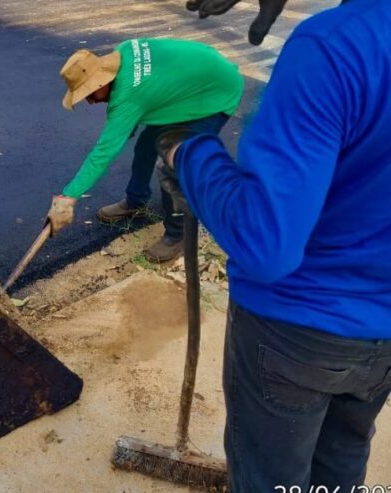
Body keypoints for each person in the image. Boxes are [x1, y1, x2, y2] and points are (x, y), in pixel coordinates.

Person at [160, 1, 391, 490]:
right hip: (382, 336)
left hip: (295, 330)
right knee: (343, 457)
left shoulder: (336, 47)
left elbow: (268, 243)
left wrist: (190, 155)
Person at [46, 38, 243, 262]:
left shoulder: (128, 96)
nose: (89, 101)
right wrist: (126, 126)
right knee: (145, 147)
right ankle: (136, 201)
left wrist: (69, 196)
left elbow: (103, 153)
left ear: (101, 82)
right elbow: (152, 87)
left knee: (173, 167)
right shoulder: (122, 52)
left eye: (89, 93)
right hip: (191, 84)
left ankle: (178, 235)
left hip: (214, 95)